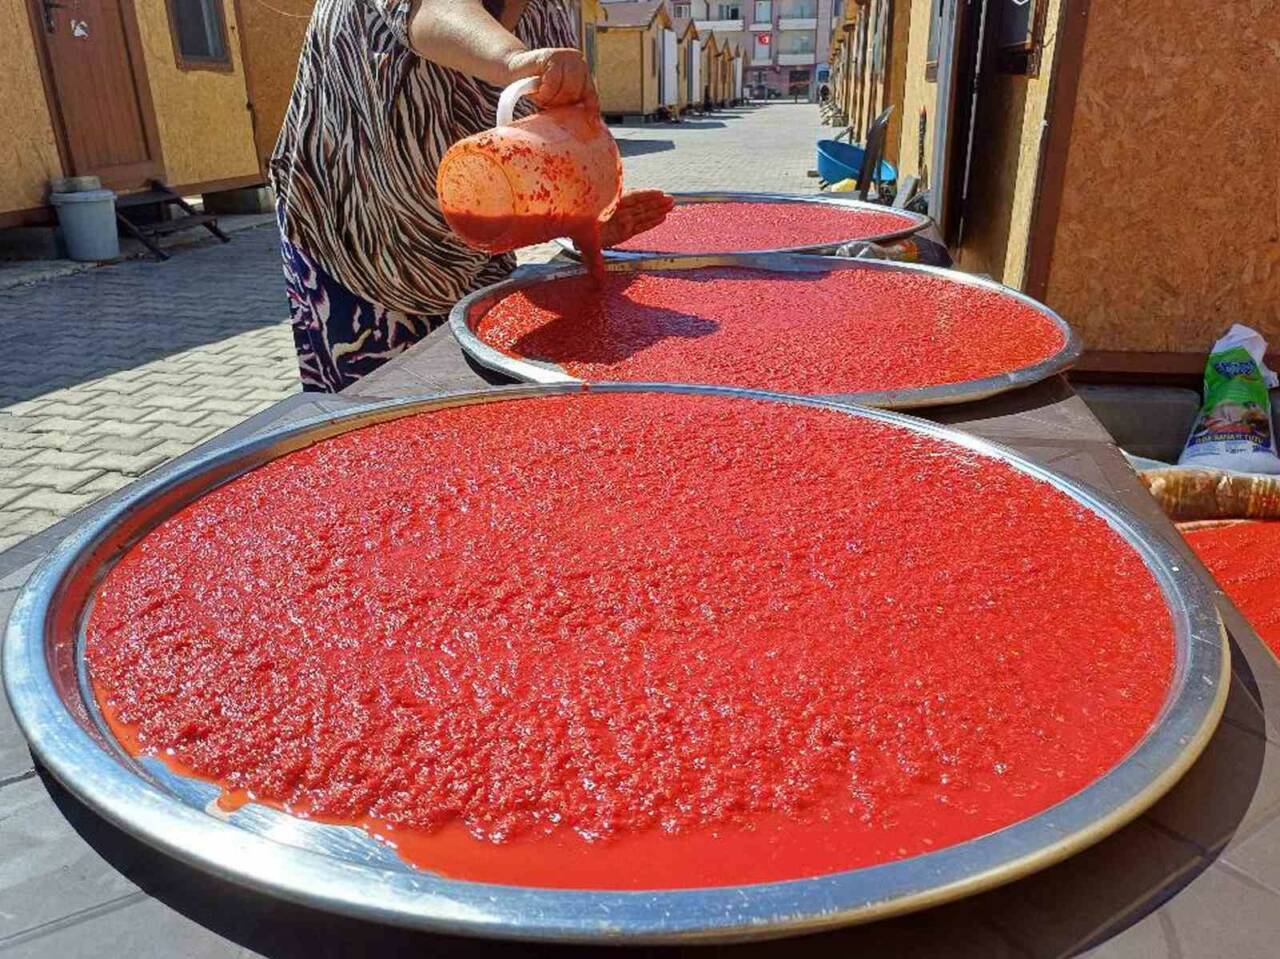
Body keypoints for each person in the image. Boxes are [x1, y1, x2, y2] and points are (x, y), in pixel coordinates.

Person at [271, 0, 673, 392]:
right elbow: (433, 10)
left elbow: (546, 152)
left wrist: (582, 218)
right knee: (375, 425)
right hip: (359, 246)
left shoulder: (545, 12)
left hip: (475, 254)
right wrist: (515, 61)